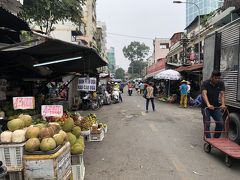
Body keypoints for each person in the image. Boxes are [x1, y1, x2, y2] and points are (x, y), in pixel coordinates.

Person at [201, 70, 225, 138]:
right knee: (207, 123)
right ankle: (209, 140)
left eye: (218, 78)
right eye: (215, 78)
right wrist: (208, 104)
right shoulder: (205, 83)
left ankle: (215, 139)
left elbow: (222, 94)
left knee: (220, 123)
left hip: (215, 106)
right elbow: (204, 94)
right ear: (212, 77)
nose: (217, 80)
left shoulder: (220, 83)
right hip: (206, 107)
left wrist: (223, 104)